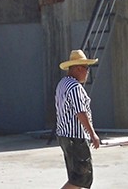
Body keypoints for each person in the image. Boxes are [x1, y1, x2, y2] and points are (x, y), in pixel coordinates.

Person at [55, 49, 101, 188]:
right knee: (81, 178)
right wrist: (92, 134)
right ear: (78, 68)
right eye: (86, 68)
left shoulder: (62, 84)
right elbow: (80, 112)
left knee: (76, 177)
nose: (87, 72)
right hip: (75, 137)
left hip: (65, 136)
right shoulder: (75, 87)